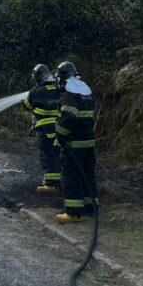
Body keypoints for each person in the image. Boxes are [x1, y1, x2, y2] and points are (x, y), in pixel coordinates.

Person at [55, 61, 97, 224]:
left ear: (63, 76)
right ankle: (91, 207)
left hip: (74, 143)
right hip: (88, 141)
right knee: (88, 174)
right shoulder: (85, 90)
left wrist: (60, 134)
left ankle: (73, 212)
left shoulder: (69, 93)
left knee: (71, 175)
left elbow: (69, 117)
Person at [22, 64, 61, 193]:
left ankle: (51, 184)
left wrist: (25, 98)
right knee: (56, 154)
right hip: (60, 129)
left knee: (47, 155)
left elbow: (27, 106)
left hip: (45, 130)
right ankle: (57, 181)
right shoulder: (57, 89)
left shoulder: (35, 92)